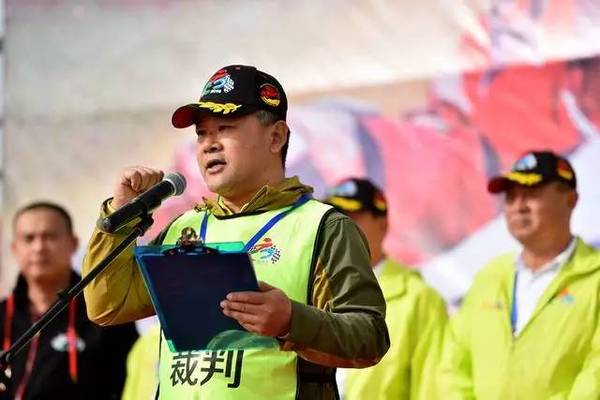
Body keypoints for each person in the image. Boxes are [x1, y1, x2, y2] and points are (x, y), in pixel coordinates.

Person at [81, 64, 389, 399]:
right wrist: (120, 217)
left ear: (276, 137)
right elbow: (108, 306)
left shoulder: (322, 227)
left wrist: (291, 320)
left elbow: (369, 338)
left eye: (224, 128)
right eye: (202, 133)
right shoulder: (185, 227)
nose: (208, 145)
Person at [439, 150, 600, 399]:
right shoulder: (489, 278)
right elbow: (453, 367)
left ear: (570, 199)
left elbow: (595, 375)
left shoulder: (594, 276)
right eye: (511, 197)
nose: (518, 206)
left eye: (532, 193)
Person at [323, 178, 447, 400]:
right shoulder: (309, 289)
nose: (338, 228)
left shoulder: (419, 299)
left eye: (350, 217)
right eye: (331, 218)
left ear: (382, 224)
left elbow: (432, 389)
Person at [0, 202, 138, 400]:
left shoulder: (104, 312)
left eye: (50, 237)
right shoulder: (3, 314)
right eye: (29, 238)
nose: (39, 247)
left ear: (73, 243)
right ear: (15, 249)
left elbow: (130, 384)